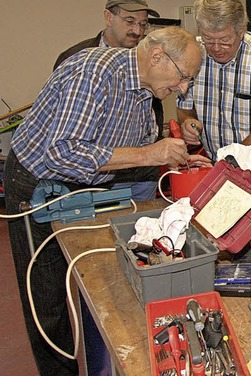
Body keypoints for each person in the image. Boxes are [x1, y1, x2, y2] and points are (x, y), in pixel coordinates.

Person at [5, 27, 209, 375]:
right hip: (37, 184)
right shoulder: (93, 73)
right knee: (47, 297)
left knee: (93, 276)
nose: (184, 88)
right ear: (157, 56)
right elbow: (61, 152)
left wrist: (171, 145)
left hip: (82, 186)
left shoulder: (146, 88)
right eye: (184, 76)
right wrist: (149, 154)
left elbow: (120, 141)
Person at [54, 0, 163, 202]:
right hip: (92, 174)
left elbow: (153, 111)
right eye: (130, 21)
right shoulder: (77, 58)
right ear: (108, 17)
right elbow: (66, 142)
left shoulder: (148, 58)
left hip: (139, 172)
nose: (137, 31)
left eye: (143, 24)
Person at [177, 0, 251, 159]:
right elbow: (184, 107)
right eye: (208, 39)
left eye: (225, 40)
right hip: (211, 158)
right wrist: (188, 123)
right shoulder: (194, 54)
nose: (216, 48)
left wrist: (231, 160)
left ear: (242, 30)